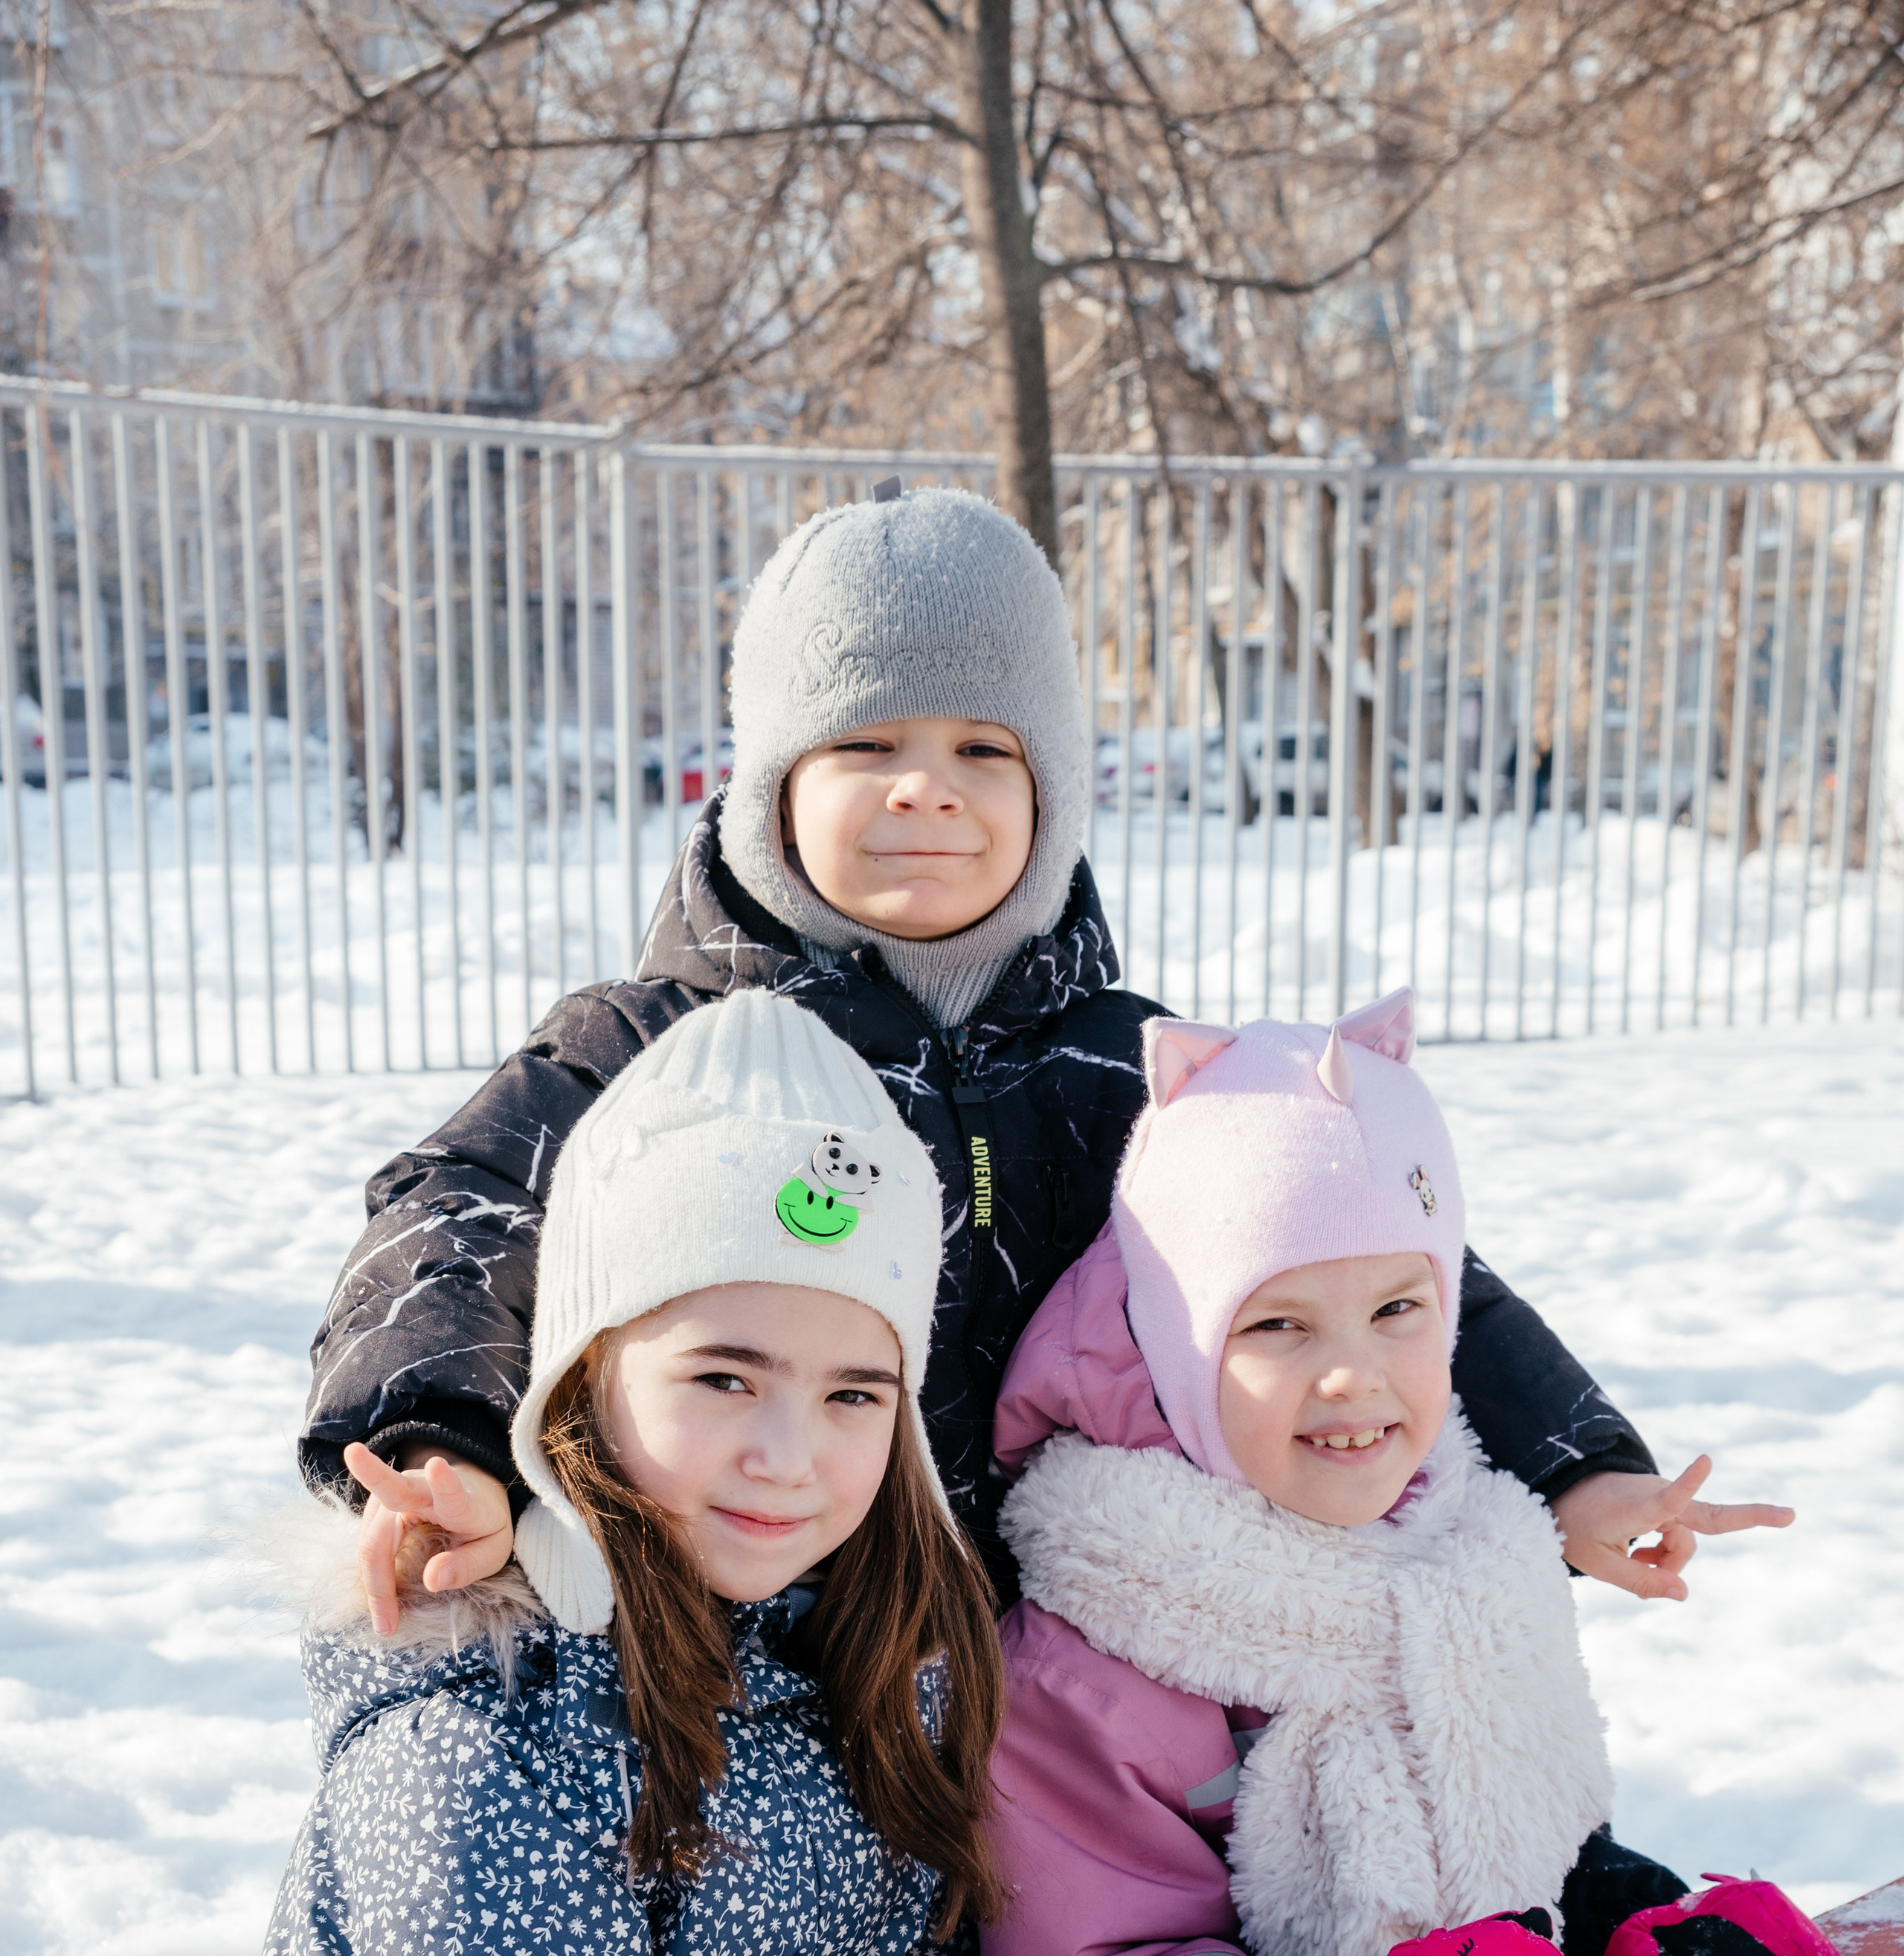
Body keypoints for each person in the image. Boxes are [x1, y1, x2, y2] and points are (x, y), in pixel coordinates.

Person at [295, 482, 1757, 1635]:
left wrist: (1572, 1465)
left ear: (1052, 792)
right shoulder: (653, 1051)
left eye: (984, 752)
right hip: (746, 1644)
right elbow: (457, 1214)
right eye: (866, 745)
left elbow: (1373, 1265)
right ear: (768, 788)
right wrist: (439, 1438)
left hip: (1079, 1672)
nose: (926, 790)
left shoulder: (1134, 1072)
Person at [249, 993, 1174, 1956]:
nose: (789, 1454)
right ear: (583, 1374)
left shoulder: (871, 1651)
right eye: (723, 1378)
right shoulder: (488, 1736)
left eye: (853, 1394)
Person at [978, 991, 1833, 1956]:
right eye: (1278, 1324)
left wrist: (1617, 1918)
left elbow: (1493, 1816)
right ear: (1173, 1347)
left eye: (1397, 1310)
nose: (1353, 1374)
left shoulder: (1459, 1540)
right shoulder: (1100, 1647)